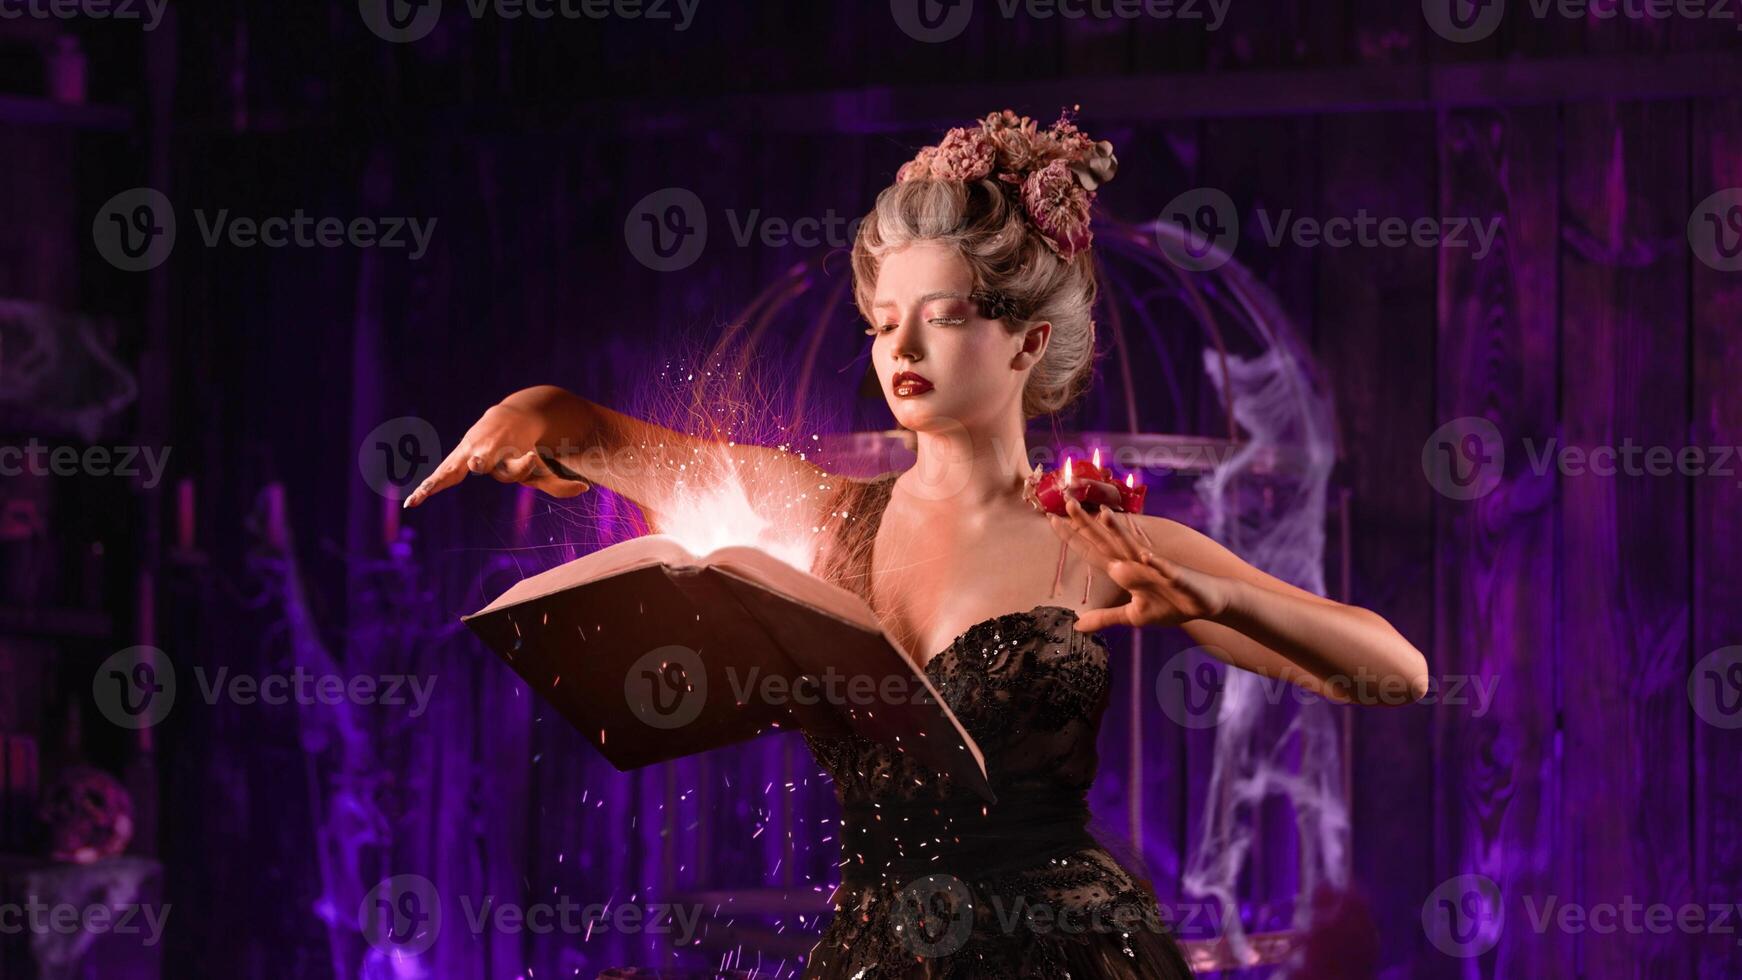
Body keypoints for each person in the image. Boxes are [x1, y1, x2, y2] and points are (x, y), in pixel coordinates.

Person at [403, 107, 1429, 978]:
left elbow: (1395, 671)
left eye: (938, 317)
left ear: (1026, 340)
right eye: (880, 320)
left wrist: (1218, 603)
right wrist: (538, 410)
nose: (899, 348)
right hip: (877, 947)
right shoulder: (820, 511)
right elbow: (605, 437)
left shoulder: (1100, 540)